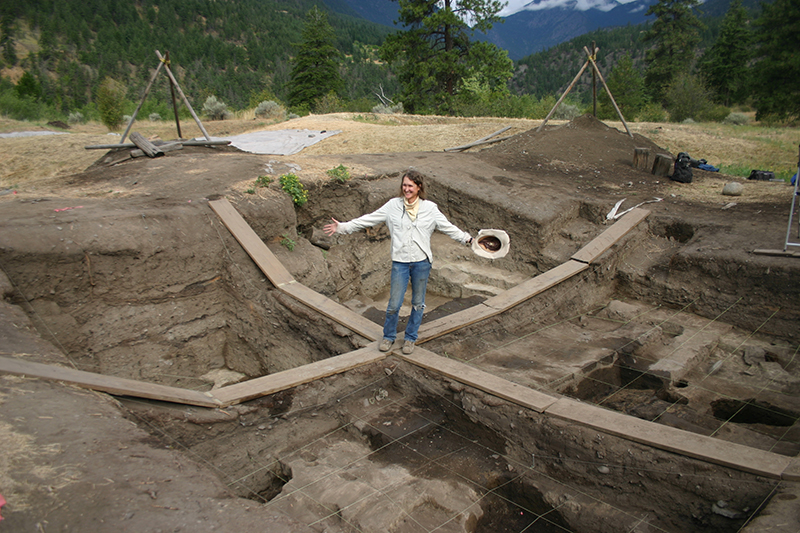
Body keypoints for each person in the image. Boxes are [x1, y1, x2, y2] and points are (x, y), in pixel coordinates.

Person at [324, 170, 473, 354]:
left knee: (418, 302)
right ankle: (388, 337)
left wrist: (469, 240)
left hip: (421, 262)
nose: (406, 189)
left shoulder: (430, 209)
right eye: (404, 185)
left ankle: (410, 338)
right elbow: (368, 219)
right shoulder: (392, 206)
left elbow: (449, 228)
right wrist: (342, 227)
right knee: (394, 303)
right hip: (400, 262)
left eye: (410, 186)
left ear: (419, 188)